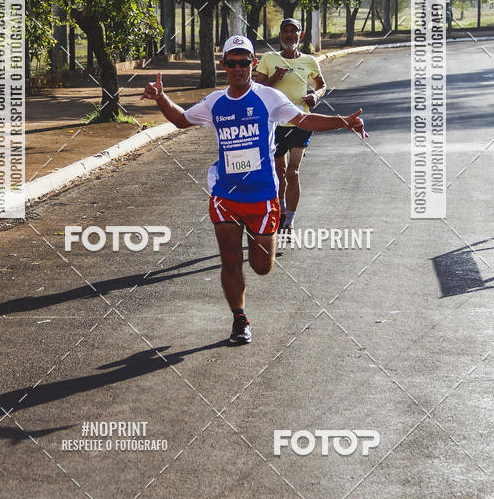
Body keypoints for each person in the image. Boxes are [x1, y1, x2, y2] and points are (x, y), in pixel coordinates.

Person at [141, 35, 367, 345]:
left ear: (253, 64)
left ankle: (259, 245)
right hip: (225, 196)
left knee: (261, 267)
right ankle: (239, 318)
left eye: (244, 62)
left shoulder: (268, 98)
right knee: (230, 259)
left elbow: (303, 120)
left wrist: (342, 121)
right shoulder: (215, 102)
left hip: (262, 196)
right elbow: (181, 121)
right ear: (224, 66)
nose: (237, 68)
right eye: (231, 62)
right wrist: (160, 98)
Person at [254, 18, 325, 237]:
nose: (289, 35)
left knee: (293, 172)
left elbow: (321, 85)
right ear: (280, 36)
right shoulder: (269, 58)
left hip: (301, 121)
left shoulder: (309, 61)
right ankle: (282, 208)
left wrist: (315, 95)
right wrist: (274, 78)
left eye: (293, 32)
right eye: (285, 31)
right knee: (279, 171)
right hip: (274, 123)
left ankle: (290, 221)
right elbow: (256, 88)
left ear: (301, 36)